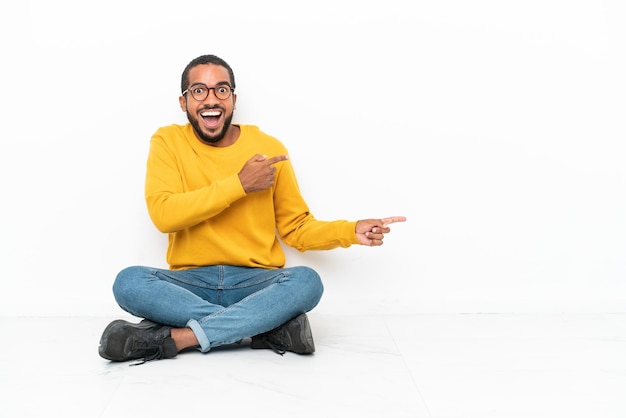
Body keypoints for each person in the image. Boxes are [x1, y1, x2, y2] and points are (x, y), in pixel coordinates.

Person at [98, 54, 406, 365]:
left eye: (221, 90)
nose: (210, 99)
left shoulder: (268, 147)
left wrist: (349, 231)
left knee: (307, 282)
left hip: (255, 283)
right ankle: (264, 328)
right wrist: (239, 184)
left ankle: (181, 339)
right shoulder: (168, 141)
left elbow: (296, 228)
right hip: (191, 285)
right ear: (183, 102)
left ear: (233, 99)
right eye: (198, 90)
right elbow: (165, 215)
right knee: (129, 282)